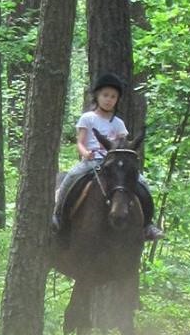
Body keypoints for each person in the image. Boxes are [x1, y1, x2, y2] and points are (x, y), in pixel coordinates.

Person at [53, 71, 162, 241]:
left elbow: (123, 143)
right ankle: (58, 215)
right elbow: (80, 142)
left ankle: (148, 224)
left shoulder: (118, 123)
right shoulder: (87, 118)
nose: (109, 99)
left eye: (113, 96)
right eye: (105, 95)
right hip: (92, 161)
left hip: (113, 161)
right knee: (72, 177)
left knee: (142, 182)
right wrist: (85, 153)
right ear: (97, 96)